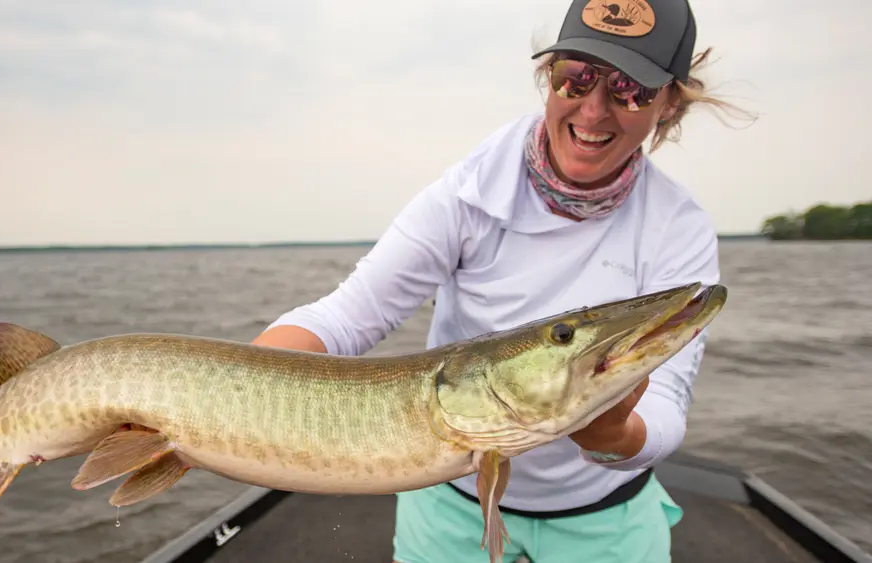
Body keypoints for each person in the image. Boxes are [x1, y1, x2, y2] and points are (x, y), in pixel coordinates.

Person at [252, 0, 750, 561]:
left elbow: (665, 404)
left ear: (669, 107)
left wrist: (614, 438)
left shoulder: (677, 229)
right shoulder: (469, 194)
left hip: (604, 514)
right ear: (549, 78)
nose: (592, 111)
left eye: (629, 89)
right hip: (451, 505)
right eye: (576, 78)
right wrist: (236, 392)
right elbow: (345, 317)